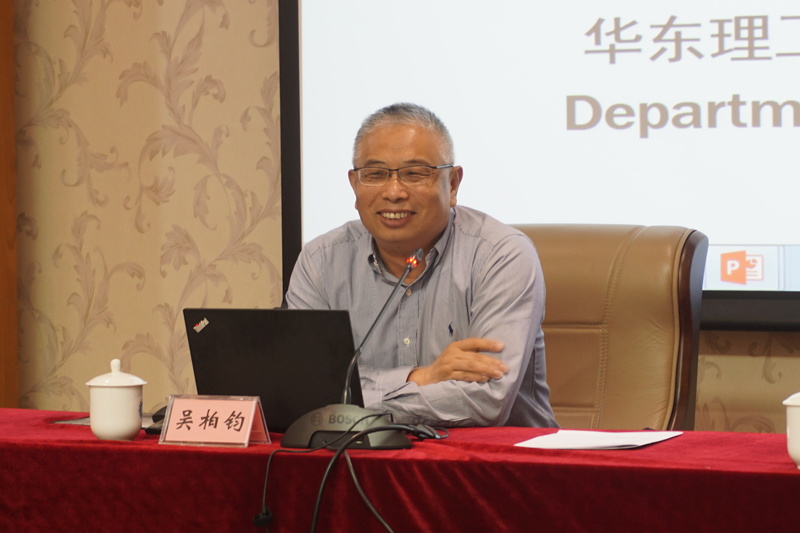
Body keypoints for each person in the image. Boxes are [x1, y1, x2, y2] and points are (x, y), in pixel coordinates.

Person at [286, 103, 557, 428]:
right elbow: (301, 389)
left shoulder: (500, 254)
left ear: (452, 184)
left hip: (493, 456)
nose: (394, 192)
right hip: (361, 454)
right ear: (355, 185)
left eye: (414, 174)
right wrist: (421, 377)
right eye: (375, 175)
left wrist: (349, 399)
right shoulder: (321, 260)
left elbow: (486, 400)